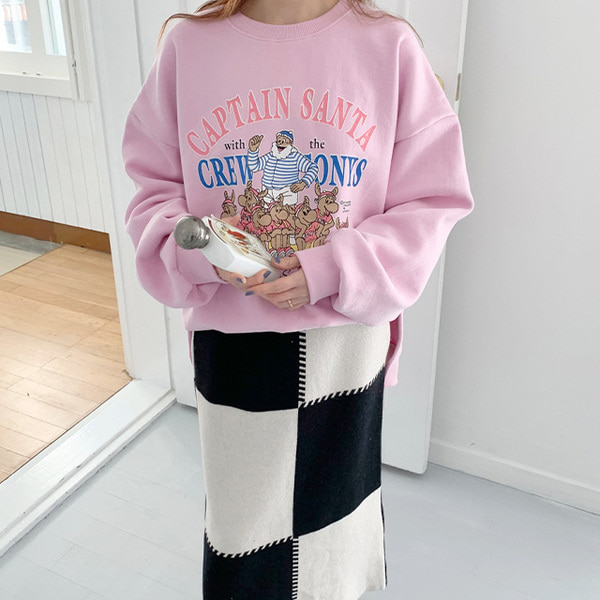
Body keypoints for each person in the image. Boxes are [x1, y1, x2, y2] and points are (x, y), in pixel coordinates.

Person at [122, 0, 474, 598]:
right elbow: (152, 189)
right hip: (234, 344)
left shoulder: (389, 46)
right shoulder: (188, 46)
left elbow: (432, 200)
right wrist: (205, 250)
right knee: (243, 534)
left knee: (334, 534)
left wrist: (333, 267)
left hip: (344, 343)